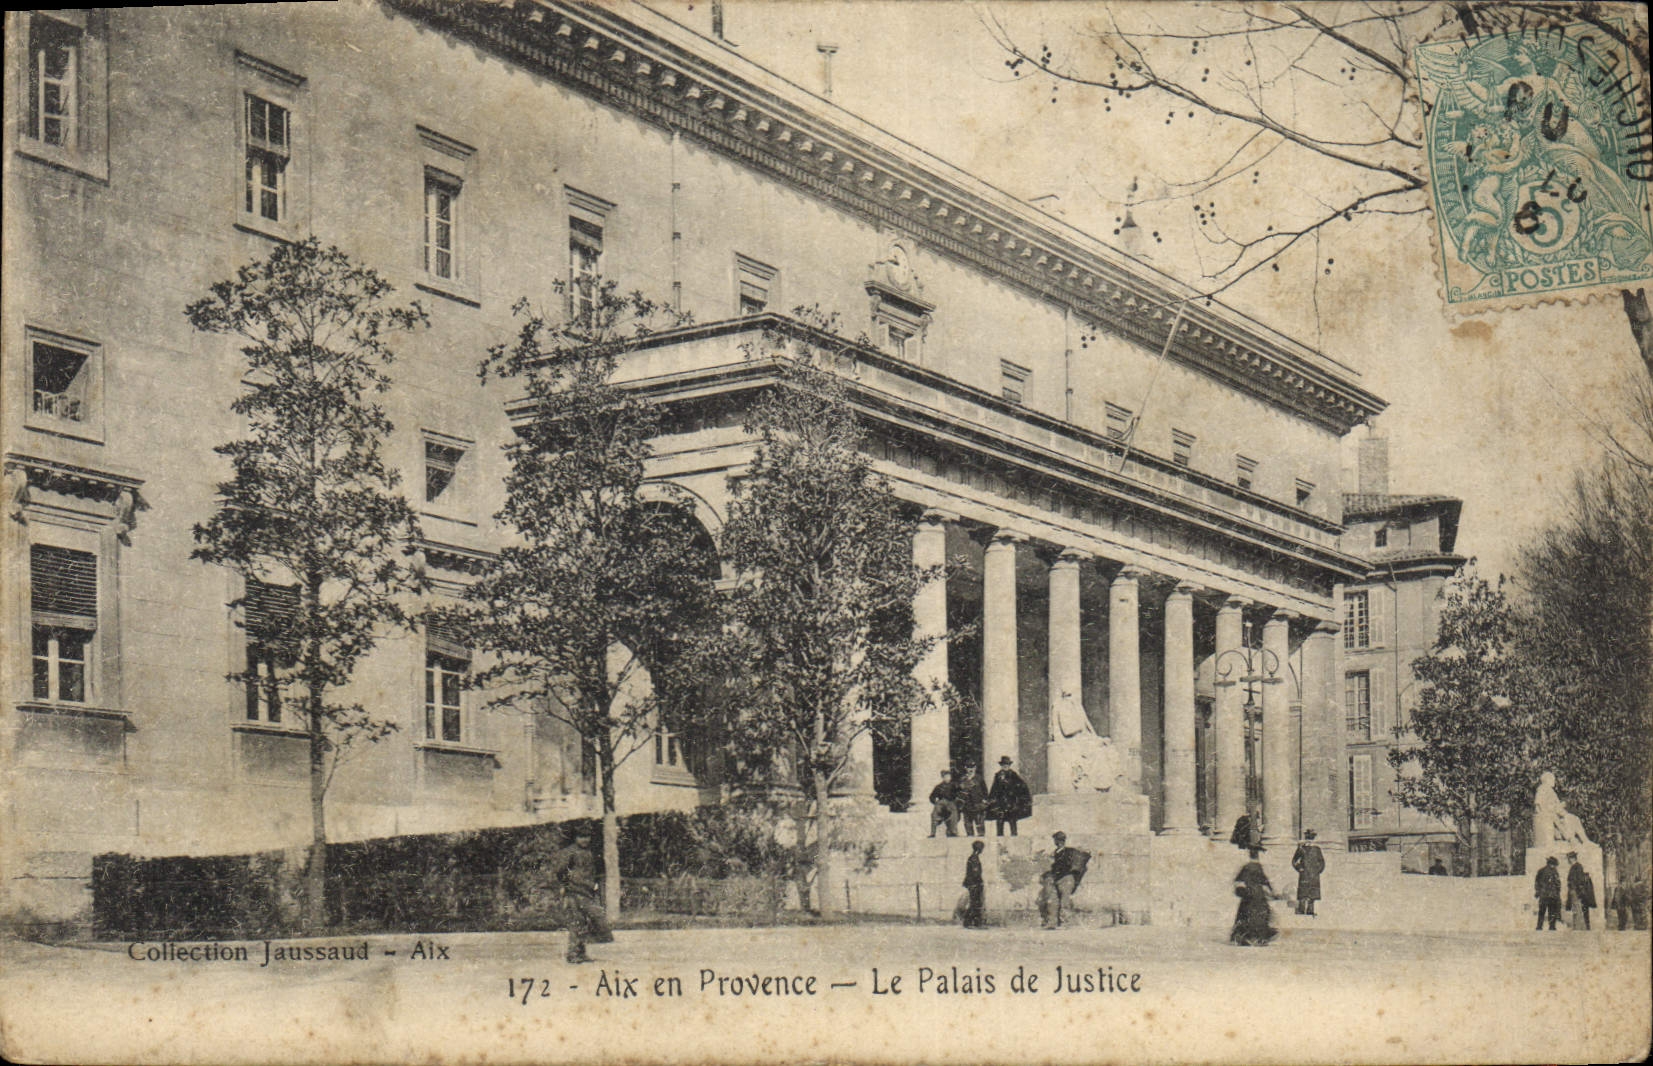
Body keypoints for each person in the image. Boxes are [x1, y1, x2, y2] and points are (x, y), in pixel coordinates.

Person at [553, 825, 612, 963]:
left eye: (587, 837)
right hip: (574, 891)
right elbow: (560, 870)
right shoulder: (570, 852)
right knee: (577, 921)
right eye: (581, 837)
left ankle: (580, 953)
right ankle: (573, 954)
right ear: (575, 838)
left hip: (587, 891)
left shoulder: (590, 852)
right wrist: (565, 885)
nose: (585, 840)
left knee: (585, 921)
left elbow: (594, 872)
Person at [1038, 831, 1090, 929]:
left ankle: (1065, 923)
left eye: (1058, 840)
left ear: (1062, 840)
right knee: (1053, 901)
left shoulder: (1069, 851)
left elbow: (1082, 855)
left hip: (1066, 878)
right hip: (1058, 878)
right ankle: (1052, 923)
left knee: (1064, 902)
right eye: (1057, 840)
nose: (1057, 842)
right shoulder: (1056, 852)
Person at [1230, 846, 1277, 946]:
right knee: (1262, 914)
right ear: (1258, 856)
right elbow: (1265, 881)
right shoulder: (1258, 867)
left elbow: (1238, 880)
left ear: (1249, 855)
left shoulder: (1247, 867)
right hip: (1258, 894)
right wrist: (1271, 891)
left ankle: (1244, 937)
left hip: (1248, 893)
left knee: (1245, 914)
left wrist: (1241, 889)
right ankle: (1259, 937)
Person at [986, 756, 1032, 837]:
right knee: (1000, 821)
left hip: (1011, 802)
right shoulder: (998, 775)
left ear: (1009, 765)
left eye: (1007, 764)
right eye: (1004, 764)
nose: (1005, 766)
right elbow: (994, 788)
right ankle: (999, 838)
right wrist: (991, 799)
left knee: (1012, 820)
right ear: (1001, 765)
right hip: (1000, 802)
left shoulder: (1013, 775)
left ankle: (1014, 837)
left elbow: (1022, 785)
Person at [1291, 830, 1325, 916]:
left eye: (1311, 838)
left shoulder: (1317, 849)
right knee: (1303, 893)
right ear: (1305, 838)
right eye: (1308, 838)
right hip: (1304, 874)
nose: (1309, 840)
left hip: (1314, 875)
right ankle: (1301, 910)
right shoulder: (1301, 849)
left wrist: (1318, 870)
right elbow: (1294, 861)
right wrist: (1299, 869)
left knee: (1312, 894)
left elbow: (1322, 862)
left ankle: (1310, 911)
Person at [1565, 852, 1596, 931]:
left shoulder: (1578, 867)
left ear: (1572, 858)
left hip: (1576, 892)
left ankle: (1579, 928)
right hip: (1573, 891)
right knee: (1575, 910)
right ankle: (1577, 927)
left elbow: (1579, 880)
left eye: (1569, 858)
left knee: (1577, 910)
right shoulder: (1574, 867)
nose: (1568, 860)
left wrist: (1577, 891)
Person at [956, 765, 987, 838]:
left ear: (975, 768)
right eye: (969, 768)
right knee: (968, 826)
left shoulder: (979, 778)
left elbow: (985, 791)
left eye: (972, 768)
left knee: (980, 827)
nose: (971, 770)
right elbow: (958, 792)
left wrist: (984, 800)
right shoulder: (962, 779)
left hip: (978, 805)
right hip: (967, 806)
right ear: (966, 768)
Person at [961, 840, 986, 929]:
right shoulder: (974, 858)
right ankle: (970, 922)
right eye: (982, 848)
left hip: (972, 883)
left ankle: (974, 923)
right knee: (975, 903)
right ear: (979, 849)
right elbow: (976, 873)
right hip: (974, 883)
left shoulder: (973, 857)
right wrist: (979, 883)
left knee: (975, 903)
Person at [1534, 855, 1563, 931]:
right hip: (1551, 895)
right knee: (1551, 911)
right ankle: (1551, 926)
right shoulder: (1553, 871)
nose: (1554, 866)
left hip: (1544, 894)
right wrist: (1558, 892)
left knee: (1542, 911)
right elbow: (1558, 883)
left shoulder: (1541, 870)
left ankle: (1539, 926)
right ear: (1551, 864)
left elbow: (1536, 882)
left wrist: (1538, 891)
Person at [928, 770, 959, 838]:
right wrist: (935, 802)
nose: (947, 778)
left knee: (954, 813)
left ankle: (953, 831)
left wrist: (957, 801)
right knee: (934, 814)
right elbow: (931, 796)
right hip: (941, 802)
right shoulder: (938, 787)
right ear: (943, 777)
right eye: (945, 776)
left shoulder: (954, 785)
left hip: (951, 802)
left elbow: (959, 794)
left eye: (948, 776)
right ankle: (933, 832)